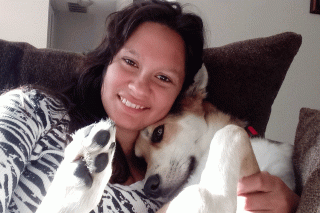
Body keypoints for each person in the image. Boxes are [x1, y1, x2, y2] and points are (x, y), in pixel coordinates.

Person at [0, 1, 299, 213]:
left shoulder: (160, 192)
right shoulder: (33, 109)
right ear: (106, 63)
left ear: (184, 94)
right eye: (130, 62)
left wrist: (296, 205)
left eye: (163, 77)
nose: (139, 87)